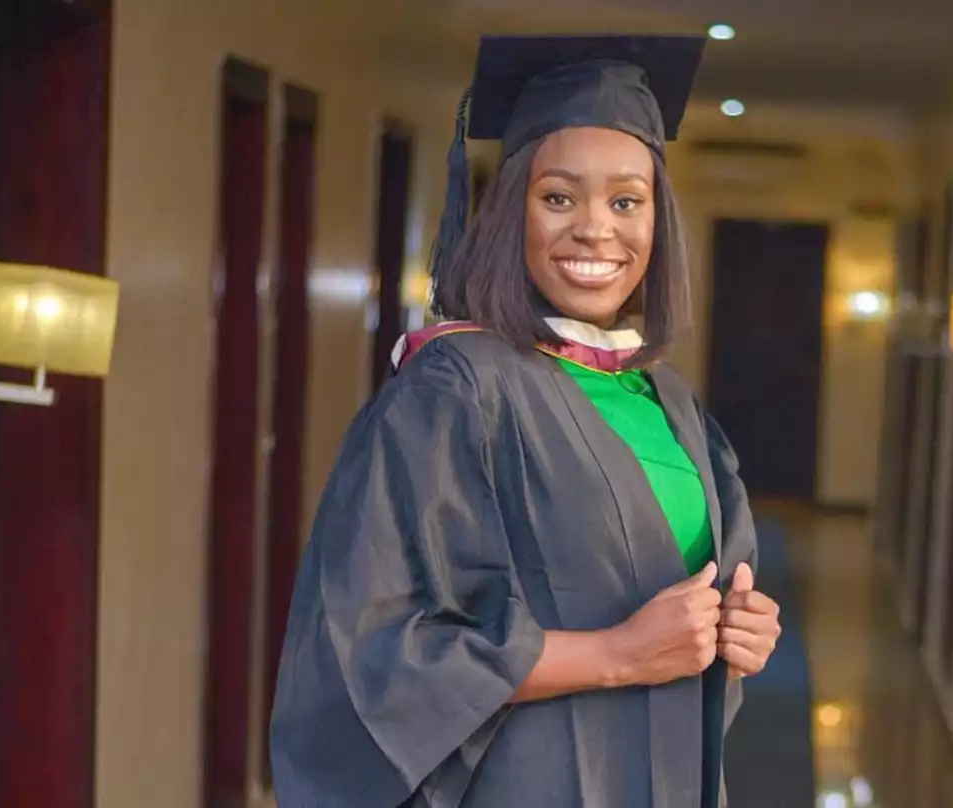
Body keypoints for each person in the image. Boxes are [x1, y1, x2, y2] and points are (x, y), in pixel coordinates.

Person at [270, 34, 782, 808]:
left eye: (625, 201)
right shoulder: (454, 389)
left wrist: (739, 636)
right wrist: (615, 655)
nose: (595, 230)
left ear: (657, 219)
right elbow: (372, 646)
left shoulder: (666, 399)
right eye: (558, 198)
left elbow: (704, 599)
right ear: (514, 210)